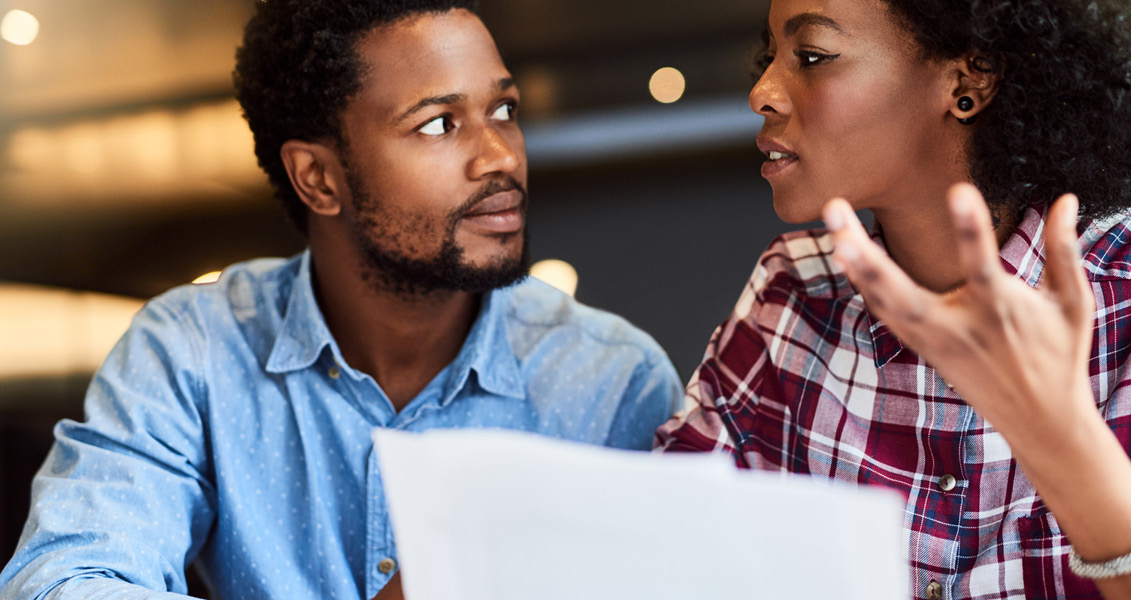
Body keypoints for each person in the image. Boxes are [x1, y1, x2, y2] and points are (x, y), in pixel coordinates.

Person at [0, 1, 682, 598]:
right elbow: (61, 582)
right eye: (440, 125)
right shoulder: (193, 350)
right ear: (318, 178)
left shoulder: (612, 381)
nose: (500, 156)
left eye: (502, 110)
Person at [656, 0, 1131, 598]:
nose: (762, 91)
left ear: (968, 81)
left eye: (811, 57)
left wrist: (1063, 440)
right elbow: (660, 552)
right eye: (771, 56)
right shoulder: (790, 298)